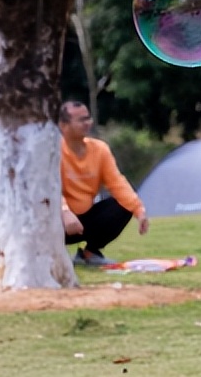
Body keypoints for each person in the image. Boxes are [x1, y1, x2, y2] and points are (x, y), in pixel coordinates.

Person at [58, 101, 149, 266]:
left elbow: (117, 183)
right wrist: (64, 212)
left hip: (83, 220)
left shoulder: (100, 149)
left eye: (88, 118)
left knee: (123, 204)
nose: (88, 123)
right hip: (56, 220)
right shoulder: (53, 150)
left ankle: (90, 254)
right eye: (81, 120)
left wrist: (139, 210)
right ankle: (49, 255)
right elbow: (48, 190)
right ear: (63, 125)